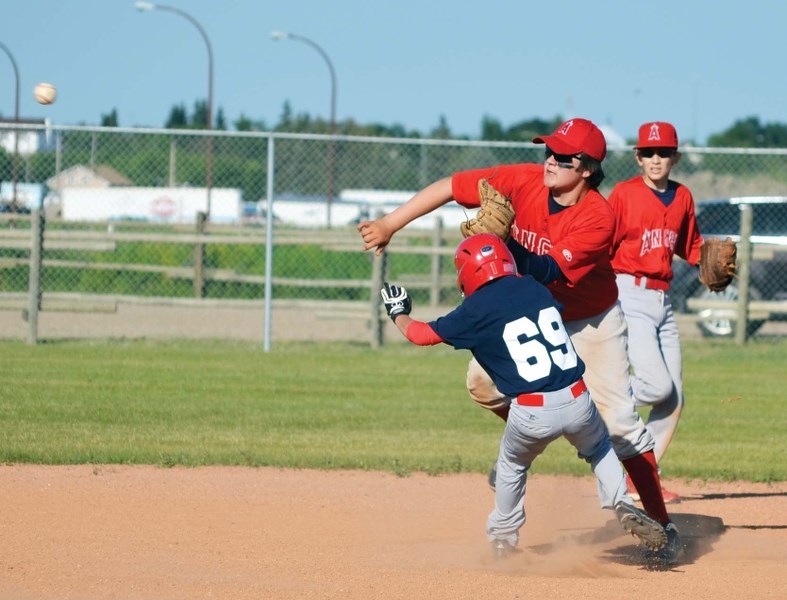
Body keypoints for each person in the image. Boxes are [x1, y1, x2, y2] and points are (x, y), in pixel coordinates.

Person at [358, 117, 683, 564]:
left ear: (587, 168)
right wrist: (390, 224)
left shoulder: (598, 217)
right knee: (481, 382)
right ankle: (538, 431)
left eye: (563, 156)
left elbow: (548, 270)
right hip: (530, 311)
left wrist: (502, 240)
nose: (550, 161)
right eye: (548, 151)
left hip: (590, 320)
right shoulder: (524, 180)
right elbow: (452, 186)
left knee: (622, 425)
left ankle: (663, 527)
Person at [380, 233, 668, 559]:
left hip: (531, 411)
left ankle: (503, 539)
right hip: (577, 399)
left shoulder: (474, 310)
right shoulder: (534, 287)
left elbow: (421, 335)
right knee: (600, 447)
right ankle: (621, 502)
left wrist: (398, 312)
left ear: (467, 274)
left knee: (512, 465)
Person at [608, 122, 704, 503]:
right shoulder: (624, 194)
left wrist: (710, 264)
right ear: (637, 156)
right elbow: (603, 241)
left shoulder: (682, 197)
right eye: (648, 152)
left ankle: (642, 479)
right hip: (627, 292)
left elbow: (690, 246)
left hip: (663, 299)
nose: (656, 159)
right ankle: (600, 404)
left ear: (675, 158)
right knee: (657, 386)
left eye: (663, 152)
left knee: (673, 397)